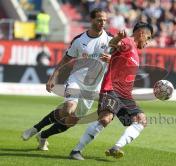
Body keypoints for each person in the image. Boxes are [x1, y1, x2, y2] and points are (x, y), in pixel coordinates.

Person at [22, 8, 112, 151]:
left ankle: (43, 135)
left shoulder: (110, 40)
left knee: (71, 121)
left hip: (93, 87)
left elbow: (121, 59)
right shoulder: (79, 40)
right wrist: (53, 76)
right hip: (76, 80)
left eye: (105, 20)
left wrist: (112, 59)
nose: (102, 23)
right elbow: (66, 58)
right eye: (99, 20)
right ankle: (35, 128)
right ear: (91, 20)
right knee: (68, 109)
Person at [69, 22, 153, 160]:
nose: (148, 42)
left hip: (125, 95)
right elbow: (113, 45)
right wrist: (117, 39)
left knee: (141, 120)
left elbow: (117, 58)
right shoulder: (128, 42)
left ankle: (116, 148)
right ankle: (76, 151)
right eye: (148, 38)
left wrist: (112, 59)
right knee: (105, 119)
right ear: (141, 33)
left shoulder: (134, 52)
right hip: (112, 89)